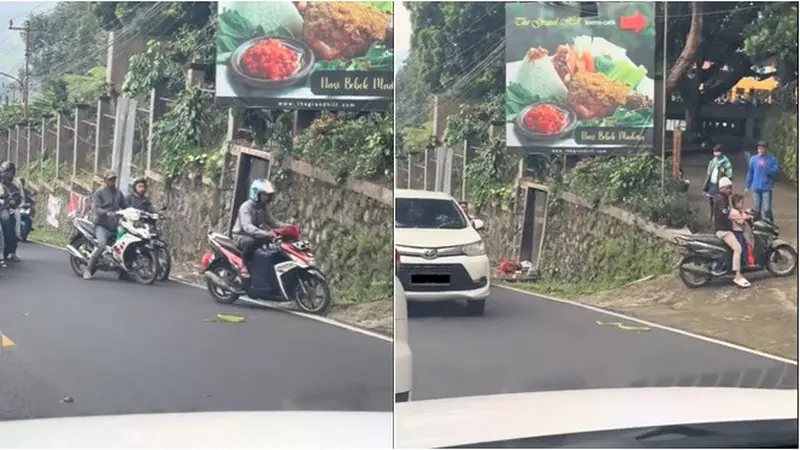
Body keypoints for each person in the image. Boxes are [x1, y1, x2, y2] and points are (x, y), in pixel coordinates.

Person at [84, 170, 129, 280]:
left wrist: (133, 211)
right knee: (102, 245)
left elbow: (125, 205)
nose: (112, 181)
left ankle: (123, 271)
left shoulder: (118, 193)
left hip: (114, 224)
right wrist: (106, 212)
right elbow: (97, 209)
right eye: (110, 179)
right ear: (105, 180)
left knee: (124, 245)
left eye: (114, 179)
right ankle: (88, 269)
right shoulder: (99, 192)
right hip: (101, 224)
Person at [231, 179, 287, 265]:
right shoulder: (246, 207)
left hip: (256, 236)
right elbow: (247, 227)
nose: (267, 197)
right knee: (249, 242)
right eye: (264, 195)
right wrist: (266, 233)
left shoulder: (262, 207)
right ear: (256, 194)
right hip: (240, 236)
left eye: (268, 195)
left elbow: (272, 222)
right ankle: (244, 265)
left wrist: (286, 227)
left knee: (276, 245)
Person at [713, 177, 750, 288]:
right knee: (738, 248)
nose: (730, 190)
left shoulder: (722, 198)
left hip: (723, 229)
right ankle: (738, 276)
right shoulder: (721, 200)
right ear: (722, 188)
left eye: (730, 187)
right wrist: (740, 216)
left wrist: (743, 212)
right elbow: (727, 214)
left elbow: (728, 212)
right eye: (728, 188)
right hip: (723, 231)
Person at [745, 140, 779, 224]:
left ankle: (770, 225)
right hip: (755, 187)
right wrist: (747, 185)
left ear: (766, 149)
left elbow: (775, 173)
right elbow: (750, 173)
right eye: (759, 148)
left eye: (762, 148)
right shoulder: (753, 159)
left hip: (766, 187)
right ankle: (757, 226)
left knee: (767, 209)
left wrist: (766, 167)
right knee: (756, 209)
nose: (760, 150)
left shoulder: (772, 159)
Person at [703, 145, 733, 223]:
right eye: (715, 152)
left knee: (721, 201)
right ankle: (712, 217)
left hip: (721, 185)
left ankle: (721, 218)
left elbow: (729, 175)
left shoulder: (726, 162)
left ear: (722, 152)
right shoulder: (713, 161)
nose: (716, 154)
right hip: (712, 183)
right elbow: (708, 173)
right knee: (711, 201)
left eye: (718, 152)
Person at [0, 161, 23, 263]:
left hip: (7, 208)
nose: (8, 174)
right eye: (6, 171)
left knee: (8, 220)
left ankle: (12, 250)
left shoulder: (14, 183)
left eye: (10, 171)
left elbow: (17, 195)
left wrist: (13, 200)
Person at [728, 193, 753, 270]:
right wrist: (746, 216)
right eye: (741, 203)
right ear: (736, 203)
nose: (743, 204)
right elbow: (741, 222)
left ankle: (745, 263)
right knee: (741, 248)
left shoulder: (737, 211)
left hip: (740, 232)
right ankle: (743, 264)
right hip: (737, 233)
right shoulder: (734, 212)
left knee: (745, 246)